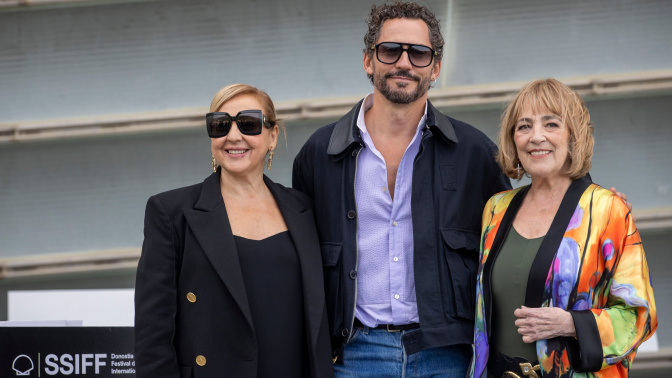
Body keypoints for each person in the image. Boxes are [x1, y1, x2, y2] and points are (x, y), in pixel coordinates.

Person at [293, 2, 511, 376]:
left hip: (447, 354)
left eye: (419, 53)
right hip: (352, 355)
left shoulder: (474, 153)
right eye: (390, 50)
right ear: (368, 60)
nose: (404, 63)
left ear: (436, 68)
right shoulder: (320, 152)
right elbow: (296, 255)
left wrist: (584, 197)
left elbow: (516, 237)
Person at [135, 84, 333, 378]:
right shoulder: (170, 212)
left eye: (249, 124)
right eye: (220, 125)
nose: (233, 136)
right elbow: (153, 334)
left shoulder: (305, 209)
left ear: (273, 135)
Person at [470, 79, 657, 378]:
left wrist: (572, 324)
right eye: (524, 126)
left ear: (573, 136)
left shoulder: (608, 210)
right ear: (512, 139)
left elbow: (638, 316)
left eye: (551, 124)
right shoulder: (496, 209)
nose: (536, 137)